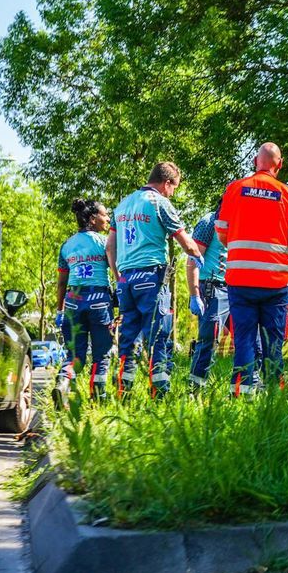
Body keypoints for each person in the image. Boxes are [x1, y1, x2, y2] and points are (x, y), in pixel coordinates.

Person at [107, 162, 203, 396]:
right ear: (166, 182)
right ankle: (159, 393)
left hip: (126, 279)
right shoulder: (159, 202)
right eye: (174, 188)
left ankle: (124, 392)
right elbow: (187, 243)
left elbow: (110, 247)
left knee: (128, 340)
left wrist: (118, 278)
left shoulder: (122, 205)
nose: (172, 193)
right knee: (158, 336)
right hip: (151, 277)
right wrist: (199, 257)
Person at [215, 142, 288, 394]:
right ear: (280, 164)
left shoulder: (235, 189)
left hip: (240, 277)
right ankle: (273, 392)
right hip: (275, 281)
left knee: (243, 337)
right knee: (273, 340)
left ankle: (241, 391)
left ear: (255, 161)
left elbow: (221, 232)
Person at [54, 198, 115, 399]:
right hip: (99, 300)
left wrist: (60, 311)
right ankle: (98, 397)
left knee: (74, 354)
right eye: (105, 214)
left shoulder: (66, 245)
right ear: (92, 218)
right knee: (101, 353)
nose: (108, 218)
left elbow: (61, 283)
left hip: (73, 301)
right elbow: (116, 269)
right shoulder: (105, 243)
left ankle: (63, 381)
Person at [187, 205, 228, 388]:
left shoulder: (235, 223)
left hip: (232, 288)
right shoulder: (208, 222)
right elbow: (193, 260)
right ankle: (195, 387)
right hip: (211, 288)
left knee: (251, 338)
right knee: (208, 340)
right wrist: (194, 294)